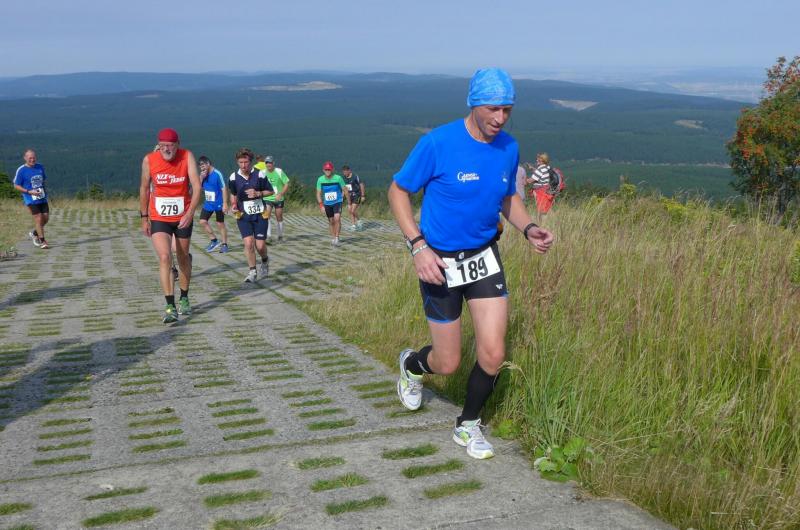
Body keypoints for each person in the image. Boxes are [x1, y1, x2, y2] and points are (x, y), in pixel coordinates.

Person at [388, 68, 554, 460]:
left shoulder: (508, 147)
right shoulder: (438, 143)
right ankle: (412, 366)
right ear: (473, 104)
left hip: (483, 257)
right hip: (439, 263)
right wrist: (417, 246)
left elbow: (507, 197)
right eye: (493, 108)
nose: (500, 118)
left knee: (493, 354)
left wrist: (528, 228)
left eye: (507, 109)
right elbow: (398, 191)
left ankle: (468, 424)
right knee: (447, 362)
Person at [139, 128, 203, 323]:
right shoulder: (149, 160)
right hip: (159, 216)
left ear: (177, 144)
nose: (167, 149)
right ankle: (170, 306)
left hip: (183, 216)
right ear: (158, 145)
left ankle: (184, 297)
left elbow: (197, 186)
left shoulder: (187, 156)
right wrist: (144, 217)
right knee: (165, 257)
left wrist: (190, 213)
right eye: (163, 146)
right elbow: (144, 188)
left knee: (183, 257)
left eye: (170, 146)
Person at [228, 148, 273, 283]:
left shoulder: (260, 174)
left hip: (260, 215)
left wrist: (259, 193)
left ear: (251, 162)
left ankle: (264, 261)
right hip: (243, 215)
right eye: (240, 162)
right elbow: (233, 194)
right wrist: (233, 205)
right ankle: (252, 272)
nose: (243, 165)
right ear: (237, 162)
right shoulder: (233, 177)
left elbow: (270, 191)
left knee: (260, 246)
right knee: (248, 243)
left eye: (246, 162)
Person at [13, 149, 51, 249]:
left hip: (42, 197)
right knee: (38, 218)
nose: (32, 160)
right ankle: (42, 241)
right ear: (25, 158)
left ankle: (35, 233)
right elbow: (16, 185)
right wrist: (29, 192)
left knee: (46, 218)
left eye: (34, 158)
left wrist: (45, 192)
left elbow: (43, 181)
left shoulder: (40, 167)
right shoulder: (21, 170)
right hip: (30, 198)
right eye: (30, 158)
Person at [198, 156, 229, 253]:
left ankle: (224, 244)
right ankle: (214, 240)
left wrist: (225, 203)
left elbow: (224, 188)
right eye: (200, 167)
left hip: (218, 203)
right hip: (208, 203)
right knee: (202, 221)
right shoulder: (203, 175)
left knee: (220, 223)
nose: (202, 168)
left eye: (203, 166)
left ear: (208, 164)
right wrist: (201, 177)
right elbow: (199, 188)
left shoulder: (217, 174)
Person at [316, 161, 349, 246]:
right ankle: (333, 237)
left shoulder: (338, 178)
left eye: (329, 169)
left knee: (337, 218)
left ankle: (337, 237)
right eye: (326, 170)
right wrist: (321, 205)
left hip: (337, 201)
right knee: (331, 221)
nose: (328, 171)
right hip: (327, 203)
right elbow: (318, 193)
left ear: (332, 170)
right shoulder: (320, 179)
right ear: (323, 170)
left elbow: (345, 190)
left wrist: (349, 203)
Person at [261, 155, 290, 242]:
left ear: (273, 163)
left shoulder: (279, 171)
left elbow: (286, 184)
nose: (268, 164)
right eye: (266, 163)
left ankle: (280, 235)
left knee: (279, 216)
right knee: (267, 215)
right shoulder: (262, 172)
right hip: (267, 197)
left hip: (278, 198)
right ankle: (268, 235)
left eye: (270, 162)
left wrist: (281, 194)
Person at [525, 153, 556, 221]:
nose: (536, 160)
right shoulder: (547, 167)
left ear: (542, 160)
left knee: (542, 209)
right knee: (547, 208)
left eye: (538, 159)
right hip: (546, 190)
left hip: (540, 191)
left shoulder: (540, 169)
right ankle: (555, 221)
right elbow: (540, 174)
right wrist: (532, 168)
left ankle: (542, 223)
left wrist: (522, 179)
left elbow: (530, 180)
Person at [342, 164, 366, 231]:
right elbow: (344, 188)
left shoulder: (355, 177)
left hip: (357, 195)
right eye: (343, 172)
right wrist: (342, 196)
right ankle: (353, 225)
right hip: (349, 196)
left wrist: (363, 195)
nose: (344, 174)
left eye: (345, 172)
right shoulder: (343, 178)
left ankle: (359, 221)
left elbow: (361, 185)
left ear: (349, 171)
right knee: (350, 211)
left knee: (353, 210)